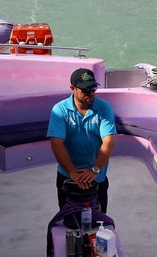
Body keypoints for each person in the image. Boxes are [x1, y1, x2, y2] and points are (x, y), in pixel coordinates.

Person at [47, 68, 116, 213]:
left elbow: (108, 141)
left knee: (98, 223)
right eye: (85, 90)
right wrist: (73, 173)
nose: (90, 93)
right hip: (67, 177)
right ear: (72, 88)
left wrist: (95, 169)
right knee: (69, 223)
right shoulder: (60, 110)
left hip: (97, 178)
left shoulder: (104, 108)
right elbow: (56, 143)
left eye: (93, 88)